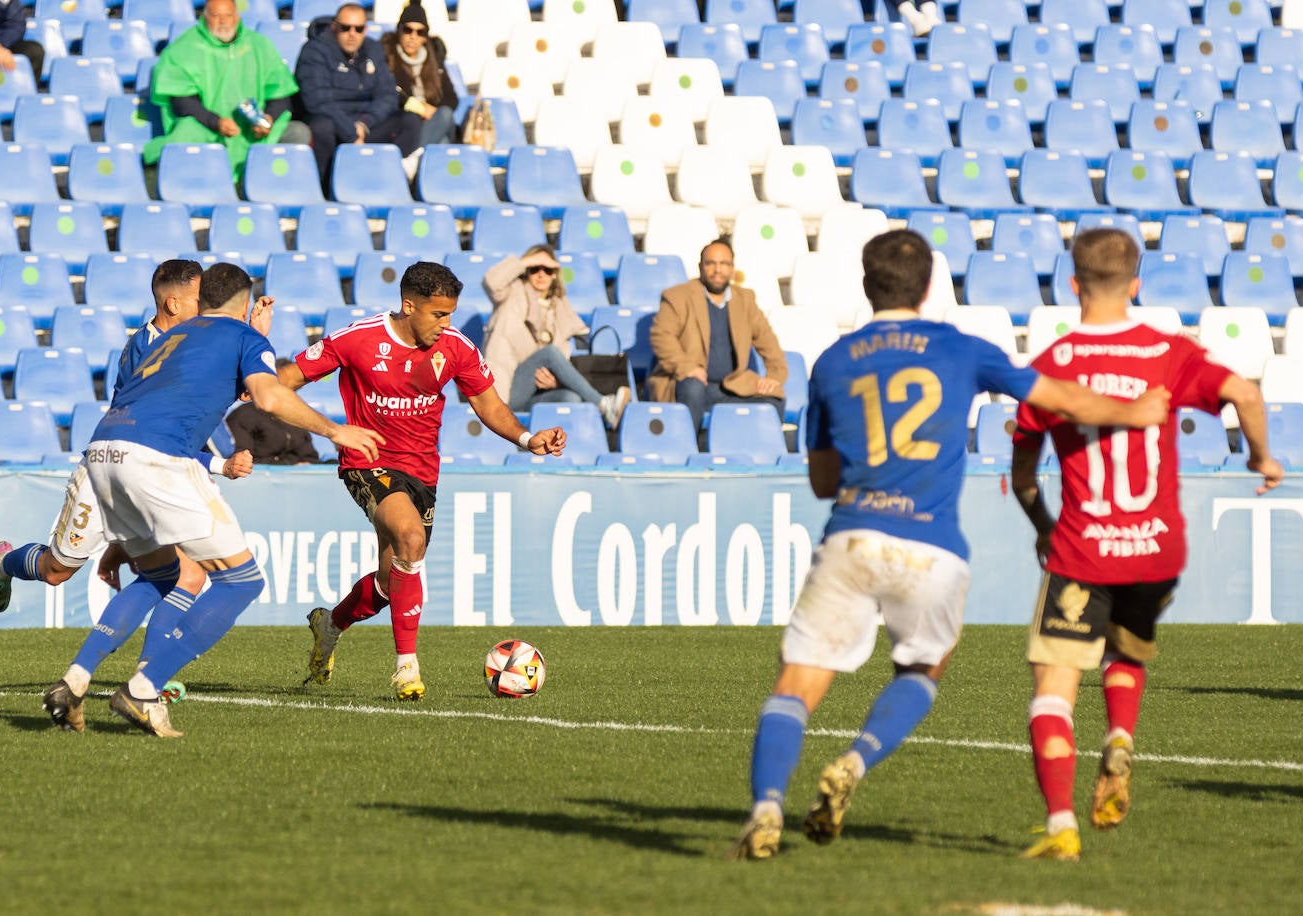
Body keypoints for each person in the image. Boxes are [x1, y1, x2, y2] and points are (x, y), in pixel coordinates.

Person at [729, 229, 1171, 861]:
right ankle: (856, 760)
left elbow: (824, 481)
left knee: (797, 681)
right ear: (931, 286)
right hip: (932, 547)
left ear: (865, 284)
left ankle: (766, 805)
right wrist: (1132, 413)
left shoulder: (832, 360)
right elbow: (1057, 397)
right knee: (924, 666)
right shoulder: (963, 349)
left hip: (853, 534)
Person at [1009, 228, 1284, 861]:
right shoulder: (1168, 351)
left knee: (1053, 684)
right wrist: (1261, 457)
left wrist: (1044, 528)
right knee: (1125, 650)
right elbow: (1244, 391)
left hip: (1083, 550)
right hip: (1155, 552)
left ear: (1071, 284)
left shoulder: (1051, 366)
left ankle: (1060, 826)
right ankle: (1122, 737)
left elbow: (1023, 476)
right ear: (1136, 285)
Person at [67, 262, 382, 738]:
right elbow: (269, 398)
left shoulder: (175, 335)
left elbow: (196, 389)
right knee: (241, 581)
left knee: (163, 574)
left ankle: (77, 679)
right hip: (158, 459)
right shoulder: (241, 338)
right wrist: (336, 430)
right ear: (242, 301)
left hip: (103, 451)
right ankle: (143, 687)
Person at [280, 261, 567, 701]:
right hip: (366, 459)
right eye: (438, 314)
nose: (446, 324)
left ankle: (330, 625)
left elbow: (488, 405)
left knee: (389, 580)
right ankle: (406, 669)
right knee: (411, 539)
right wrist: (252, 378)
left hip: (421, 471)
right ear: (408, 305)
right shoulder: (357, 339)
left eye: (450, 313)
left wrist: (528, 439)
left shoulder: (456, 348)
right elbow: (287, 380)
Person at [0, 259, 250, 613]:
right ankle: (5, 562)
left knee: (187, 573)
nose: (206, 308)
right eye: (198, 299)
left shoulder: (186, 343)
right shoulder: (149, 350)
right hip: (111, 471)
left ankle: (151, 663)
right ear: (173, 304)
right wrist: (221, 462)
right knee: (55, 571)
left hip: (154, 473)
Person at [143, 0, 311, 183]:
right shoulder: (183, 48)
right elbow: (182, 102)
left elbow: (281, 93)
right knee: (185, 132)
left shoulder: (260, 45)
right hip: (207, 127)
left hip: (251, 130)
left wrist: (268, 118)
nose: (223, 21)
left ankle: (269, 185)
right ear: (204, 17)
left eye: (228, 15)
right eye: (216, 16)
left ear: (237, 17)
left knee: (299, 133)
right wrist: (216, 122)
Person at [648, 239, 788, 436]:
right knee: (693, 388)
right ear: (700, 267)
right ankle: (686, 451)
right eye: (710, 263)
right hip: (690, 385)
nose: (717, 270)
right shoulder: (677, 297)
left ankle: (755, 456)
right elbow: (661, 336)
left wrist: (774, 377)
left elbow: (767, 340)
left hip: (731, 387)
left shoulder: (745, 299)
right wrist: (686, 367)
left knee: (775, 398)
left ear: (732, 269)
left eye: (724, 264)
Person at [483, 244, 631, 429]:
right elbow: (491, 282)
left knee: (572, 398)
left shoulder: (560, 307)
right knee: (550, 353)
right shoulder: (511, 293)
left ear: (555, 274)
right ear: (525, 270)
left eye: (548, 269)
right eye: (534, 268)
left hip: (536, 391)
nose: (541, 274)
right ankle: (604, 404)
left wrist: (556, 381)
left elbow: (562, 355)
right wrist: (525, 261)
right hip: (505, 389)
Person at [295, 3, 418, 195]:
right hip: (333, 121)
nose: (352, 34)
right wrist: (350, 132)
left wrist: (364, 124)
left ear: (365, 29)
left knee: (409, 121)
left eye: (358, 29)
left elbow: (387, 94)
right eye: (345, 28)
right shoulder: (314, 51)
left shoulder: (373, 49)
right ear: (335, 27)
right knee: (321, 126)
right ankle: (326, 190)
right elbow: (317, 100)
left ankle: (385, 182)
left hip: (364, 123)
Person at [382, 1, 458, 153]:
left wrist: (431, 112)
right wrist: (419, 108)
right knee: (442, 141)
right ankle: (419, 161)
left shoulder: (435, 60)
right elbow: (388, 93)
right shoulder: (386, 58)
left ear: (425, 37)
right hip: (406, 124)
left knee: (445, 114)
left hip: (434, 121)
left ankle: (415, 160)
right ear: (399, 30)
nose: (413, 37)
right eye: (408, 30)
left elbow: (452, 98)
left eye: (419, 32)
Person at [226, 359, 322, 464]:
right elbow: (240, 462)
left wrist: (305, 465)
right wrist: (290, 465)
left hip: (297, 477)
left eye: (294, 387)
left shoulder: (295, 416)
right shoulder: (244, 416)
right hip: (260, 477)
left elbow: (310, 457)